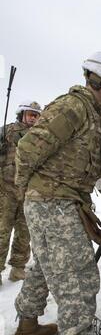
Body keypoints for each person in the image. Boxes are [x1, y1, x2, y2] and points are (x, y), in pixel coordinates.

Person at [13, 51, 101, 335]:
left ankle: (27, 326)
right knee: (78, 276)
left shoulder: (95, 118)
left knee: (44, 265)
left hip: (63, 202)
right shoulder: (73, 108)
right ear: (99, 79)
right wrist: (31, 194)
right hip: (52, 201)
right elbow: (27, 150)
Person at [0, 101, 41, 286]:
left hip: (27, 191)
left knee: (24, 232)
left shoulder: (41, 136)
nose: (33, 118)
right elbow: (17, 139)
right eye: (30, 114)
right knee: (2, 231)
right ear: (21, 114)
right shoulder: (8, 131)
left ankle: (18, 268)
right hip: (6, 190)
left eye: (36, 115)